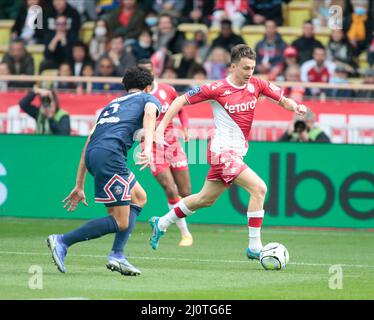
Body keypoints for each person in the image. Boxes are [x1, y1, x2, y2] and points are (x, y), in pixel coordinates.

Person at [148, 44, 307, 260]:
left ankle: (161, 222)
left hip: (236, 153)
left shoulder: (257, 84)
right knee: (259, 188)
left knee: (204, 199)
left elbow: (283, 100)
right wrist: (160, 127)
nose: (249, 72)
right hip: (221, 152)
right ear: (233, 66)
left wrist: (295, 106)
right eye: (245, 68)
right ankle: (254, 247)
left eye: (252, 68)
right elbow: (180, 100)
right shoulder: (216, 88)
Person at [46, 66, 162, 276]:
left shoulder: (111, 105)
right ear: (148, 87)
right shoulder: (148, 99)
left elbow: (89, 143)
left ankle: (117, 255)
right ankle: (62, 241)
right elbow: (149, 115)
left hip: (96, 154)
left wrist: (79, 184)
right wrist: (147, 148)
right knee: (120, 220)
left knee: (139, 197)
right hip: (111, 156)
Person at [137, 58, 193, 246]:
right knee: (170, 189)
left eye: (149, 70)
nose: (147, 74)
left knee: (186, 192)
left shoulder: (167, 90)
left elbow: (181, 109)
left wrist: (185, 128)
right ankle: (186, 234)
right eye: (143, 71)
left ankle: (161, 223)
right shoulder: (138, 97)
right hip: (152, 148)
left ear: (154, 71)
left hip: (172, 145)